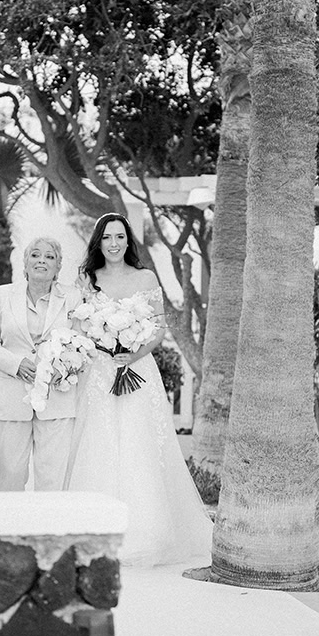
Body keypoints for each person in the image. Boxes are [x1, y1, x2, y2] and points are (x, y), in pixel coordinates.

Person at [65, 213, 212, 566]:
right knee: (97, 443)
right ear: (98, 243)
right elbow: (78, 324)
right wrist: (103, 346)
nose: (114, 244)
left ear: (129, 241)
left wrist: (134, 352)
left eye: (120, 237)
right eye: (107, 238)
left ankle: (147, 534)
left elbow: (159, 327)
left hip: (137, 369)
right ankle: (93, 531)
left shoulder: (145, 277)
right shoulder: (88, 279)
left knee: (139, 444)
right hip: (100, 372)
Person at [0, 237, 81, 491]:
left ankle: (47, 530)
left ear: (58, 266)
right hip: (10, 398)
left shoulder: (73, 297)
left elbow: (81, 343)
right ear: (25, 263)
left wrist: (64, 368)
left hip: (57, 399)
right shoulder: (2, 295)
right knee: (9, 475)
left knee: (52, 478)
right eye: (35, 255)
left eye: (50, 257)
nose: (42, 261)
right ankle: (7, 529)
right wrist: (16, 364)